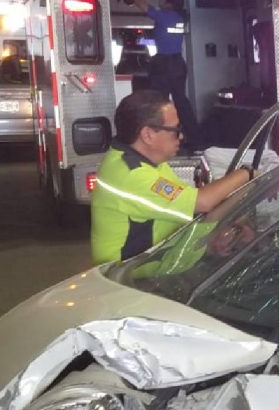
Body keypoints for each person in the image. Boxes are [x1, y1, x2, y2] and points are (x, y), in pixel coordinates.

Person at [91, 90, 255, 264]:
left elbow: (189, 201)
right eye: (175, 130)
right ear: (148, 135)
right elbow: (203, 202)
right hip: (130, 282)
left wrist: (222, 232)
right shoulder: (130, 174)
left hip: (160, 269)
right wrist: (247, 173)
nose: (181, 136)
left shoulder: (149, 162)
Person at [132, 0, 202, 149]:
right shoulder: (178, 17)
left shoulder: (164, 16)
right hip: (178, 63)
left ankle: (158, 140)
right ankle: (196, 139)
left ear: (170, 3)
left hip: (164, 65)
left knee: (159, 104)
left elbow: (144, 6)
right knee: (181, 102)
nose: (160, 2)